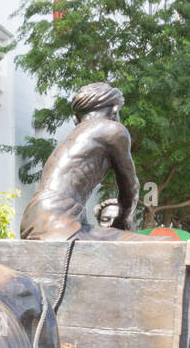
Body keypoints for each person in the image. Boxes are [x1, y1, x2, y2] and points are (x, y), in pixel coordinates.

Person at [20, 82, 142, 241]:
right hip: (59, 220)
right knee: (152, 243)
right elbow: (131, 189)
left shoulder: (71, 140)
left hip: (34, 216)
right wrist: (123, 219)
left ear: (75, 119)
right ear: (114, 111)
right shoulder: (113, 130)